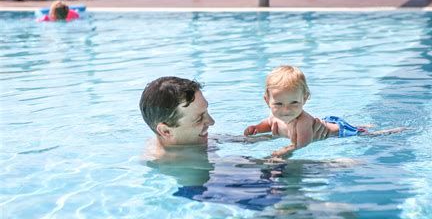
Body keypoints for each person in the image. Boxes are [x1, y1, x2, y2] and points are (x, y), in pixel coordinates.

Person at [139, 76, 331, 161]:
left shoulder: (187, 140)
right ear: (165, 131)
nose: (212, 122)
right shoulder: (177, 162)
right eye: (199, 118)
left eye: (207, 112)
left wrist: (292, 130)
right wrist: (332, 166)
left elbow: (246, 144)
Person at [244, 65, 406, 157]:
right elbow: (268, 123)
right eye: (279, 103)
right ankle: (364, 125)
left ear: (305, 98)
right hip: (328, 122)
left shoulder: (303, 121)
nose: (286, 110)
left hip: (340, 131)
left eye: (294, 102)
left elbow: (302, 144)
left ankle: (388, 131)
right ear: (267, 101)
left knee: (365, 134)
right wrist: (256, 128)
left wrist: (285, 151)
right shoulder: (275, 115)